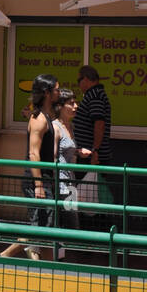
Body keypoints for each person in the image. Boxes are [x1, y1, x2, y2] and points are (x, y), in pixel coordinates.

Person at [0, 74, 59, 260]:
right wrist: (39, 184)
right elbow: (34, 153)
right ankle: (5, 255)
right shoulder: (39, 119)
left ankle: (49, 266)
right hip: (37, 181)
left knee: (46, 226)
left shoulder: (47, 117)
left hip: (45, 179)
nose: (59, 92)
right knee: (40, 225)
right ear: (48, 93)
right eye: (56, 89)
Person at [72, 65, 117, 233]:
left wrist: (95, 151)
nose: (78, 84)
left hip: (91, 156)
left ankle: (96, 235)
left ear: (87, 79)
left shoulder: (94, 95)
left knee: (90, 198)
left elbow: (99, 124)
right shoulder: (95, 95)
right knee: (91, 196)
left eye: (79, 80)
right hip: (90, 154)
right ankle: (94, 234)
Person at [51, 89, 92, 256]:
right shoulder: (55, 127)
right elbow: (52, 157)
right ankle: (57, 256)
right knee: (67, 220)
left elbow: (65, 150)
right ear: (60, 106)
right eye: (71, 103)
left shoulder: (70, 126)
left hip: (70, 181)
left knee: (71, 220)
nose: (76, 106)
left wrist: (77, 152)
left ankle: (63, 255)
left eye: (76, 103)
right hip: (60, 183)